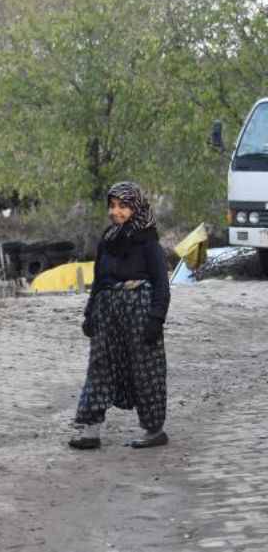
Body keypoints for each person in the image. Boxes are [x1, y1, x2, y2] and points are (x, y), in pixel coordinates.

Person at [70, 181, 170, 450]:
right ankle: (90, 431)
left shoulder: (148, 242)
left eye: (123, 206)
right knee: (99, 368)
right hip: (107, 311)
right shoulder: (108, 240)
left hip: (140, 310)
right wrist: (90, 314)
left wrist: (155, 319)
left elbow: (162, 284)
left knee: (145, 369)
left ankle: (154, 430)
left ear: (135, 208)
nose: (117, 212)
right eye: (112, 206)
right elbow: (99, 280)